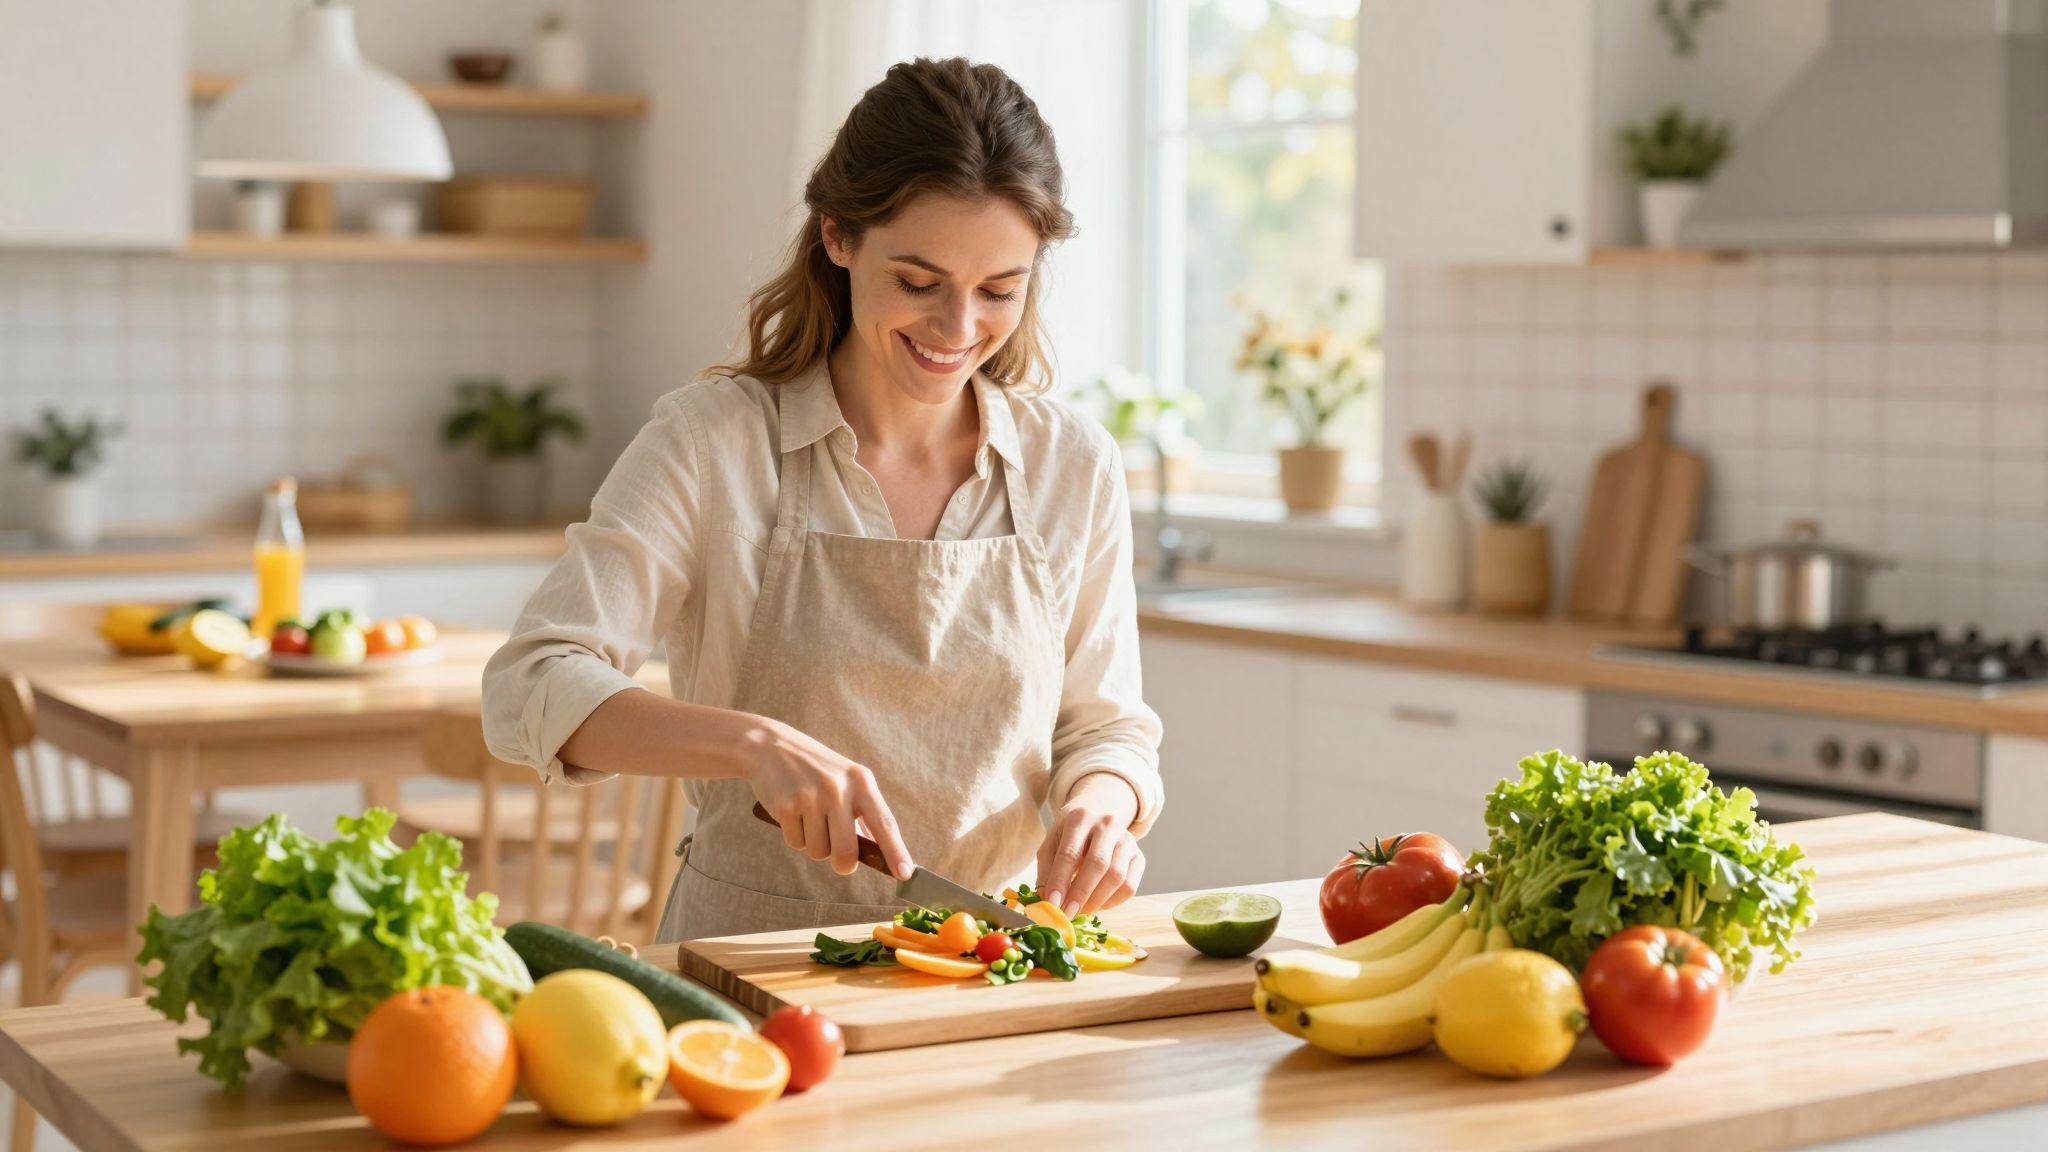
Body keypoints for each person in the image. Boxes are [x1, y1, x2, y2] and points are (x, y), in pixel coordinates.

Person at [482, 57, 1162, 942]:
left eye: (1000, 290)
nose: (959, 332)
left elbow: (1108, 729)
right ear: (838, 236)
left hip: (995, 956)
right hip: (750, 965)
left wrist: (1102, 810)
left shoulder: (1074, 464)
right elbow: (529, 683)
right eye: (918, 282)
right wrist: (750, 744)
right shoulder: (715, 442)